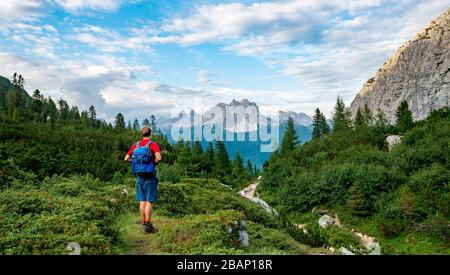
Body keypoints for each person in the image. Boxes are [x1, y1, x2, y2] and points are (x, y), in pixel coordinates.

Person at [124, 126, 162, 233]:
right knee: (149, 201)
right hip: (150, 175)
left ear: (142, 134)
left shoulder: (136, 145)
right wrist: (152, 163)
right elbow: (159, 158)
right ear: (150, 134)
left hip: (139, 176)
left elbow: (126, 158)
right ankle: (148, 225)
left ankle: (144, 224)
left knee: (142, 200)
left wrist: (136, 162)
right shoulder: (153, 144)